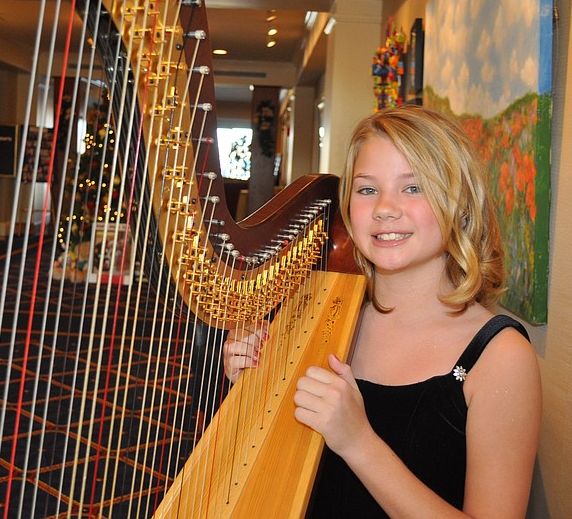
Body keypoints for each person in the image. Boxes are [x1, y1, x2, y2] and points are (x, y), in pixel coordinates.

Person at [222, 106, 542, 517]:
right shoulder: (321, 317)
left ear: (461, 206)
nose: (385, 208)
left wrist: (358, 442)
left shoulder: (501, 356)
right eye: (367, 190)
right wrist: (253, 384)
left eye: (413, 187)